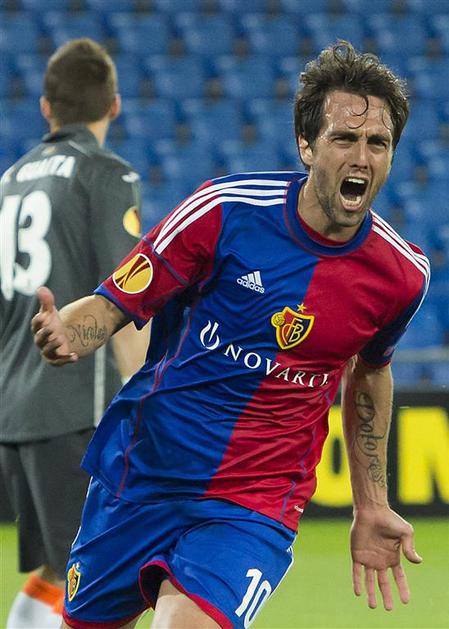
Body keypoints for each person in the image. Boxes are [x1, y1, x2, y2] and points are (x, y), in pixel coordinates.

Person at [32, 41, 428, 629]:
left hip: (254, 501)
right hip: (143, 473)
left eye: (378, 143)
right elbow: (115, 303)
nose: (362, 157)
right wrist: (70, 332)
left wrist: (371, 503)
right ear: (306, 145)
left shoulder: (400, 274)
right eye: (345, 139)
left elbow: (371, 371)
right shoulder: (222, 212)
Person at [0, 38, 149, 628]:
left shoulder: (9, 181)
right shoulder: (106, 174)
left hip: (17, 408)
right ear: (114, 105)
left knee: (59, 569)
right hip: (76, 407)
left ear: (46, 108)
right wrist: (147, 405)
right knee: (102, 575)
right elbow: (127, 299)